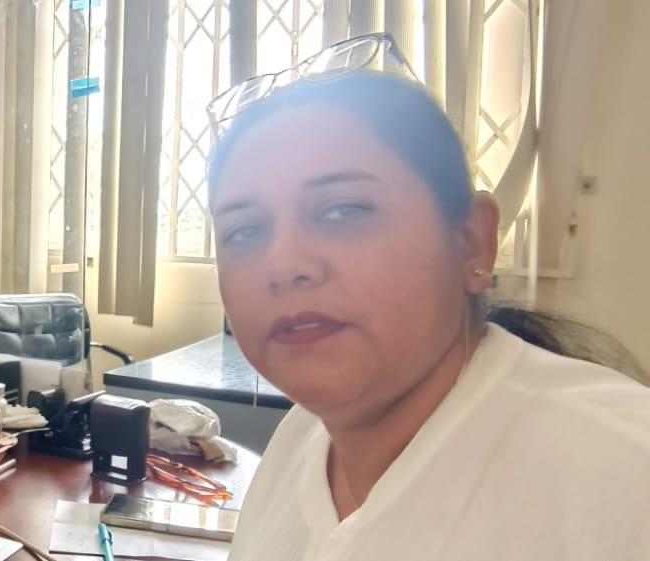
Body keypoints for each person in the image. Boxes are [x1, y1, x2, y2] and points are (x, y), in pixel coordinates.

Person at [208, 72, 650, 560]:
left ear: (472, 242)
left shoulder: (623, 473)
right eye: (243, 231)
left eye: (344, 211)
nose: (284, 266)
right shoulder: (299, 440)